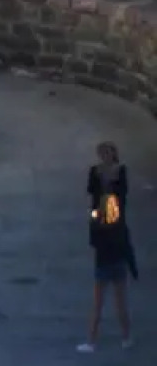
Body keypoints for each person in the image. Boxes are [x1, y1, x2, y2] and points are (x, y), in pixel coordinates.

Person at [81, 141, 137, 352]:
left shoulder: (104, 222)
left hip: (106, 256)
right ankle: (125, 337)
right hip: (114, 251)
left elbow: (116, 197)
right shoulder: (114, 222)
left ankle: (93, 341)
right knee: (118, 299)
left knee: (102, 301)